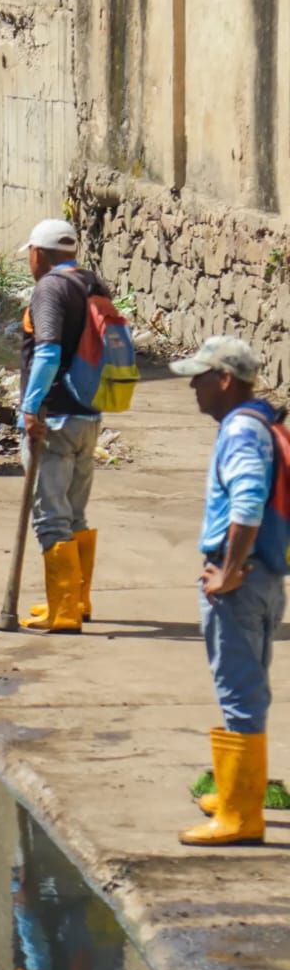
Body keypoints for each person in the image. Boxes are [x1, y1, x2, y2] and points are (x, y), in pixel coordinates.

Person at [169, 336, 286, 846]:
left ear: (224, 380)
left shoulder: (240, 431)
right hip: (265, 576)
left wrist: (229, 570)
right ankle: (243, 792)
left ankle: (240, 816)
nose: (191, 385)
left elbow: (248, 503)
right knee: (248, 687)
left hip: (241, 578)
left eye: (199, 376)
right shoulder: (261, 423)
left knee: (238, 689)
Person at [17, 218, 106, 632]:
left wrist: (31, 408)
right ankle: (77, 599)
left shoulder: (50, 289)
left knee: (50, 514)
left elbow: (48, 352)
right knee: (74, 511)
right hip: (88, 416)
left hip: (54, 418)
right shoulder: (91, 284)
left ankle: (64, 612)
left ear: (38, 253)